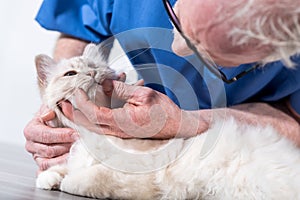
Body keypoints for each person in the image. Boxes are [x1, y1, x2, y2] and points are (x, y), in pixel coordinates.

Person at [24, 0, 300, 173]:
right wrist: (56, 103)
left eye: (202, 50)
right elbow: (79, 20)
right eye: (175, 15)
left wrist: (186, 122)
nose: (175, 48)